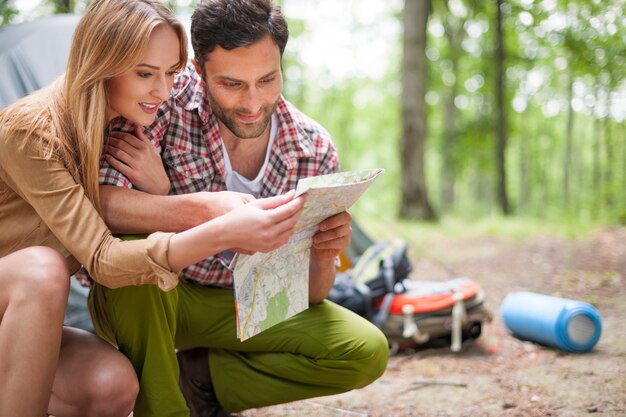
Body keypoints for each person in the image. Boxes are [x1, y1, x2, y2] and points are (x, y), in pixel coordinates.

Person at [0, 1, 305, 416]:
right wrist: (220, 224)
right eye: (145, 74)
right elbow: (103, 258)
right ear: (101, 63)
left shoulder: (120, 130)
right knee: (42, 269)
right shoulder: (31, 131)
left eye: (171, 73)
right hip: (16, 294)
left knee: (111, 384)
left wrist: (162, 193)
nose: (163, 92)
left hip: (20, 323)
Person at [94, 0, 390, 416]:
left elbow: (312, 294)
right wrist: (209, 210)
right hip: (160, 297)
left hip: (247, 307)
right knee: (134, 253)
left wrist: (324, 254)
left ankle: (202, 380)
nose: (253, 102)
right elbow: (105, 205)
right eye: (231, 84)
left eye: (267, 80)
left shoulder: (313, 147)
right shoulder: (159, 105)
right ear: (198, 71)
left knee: (365, 350)